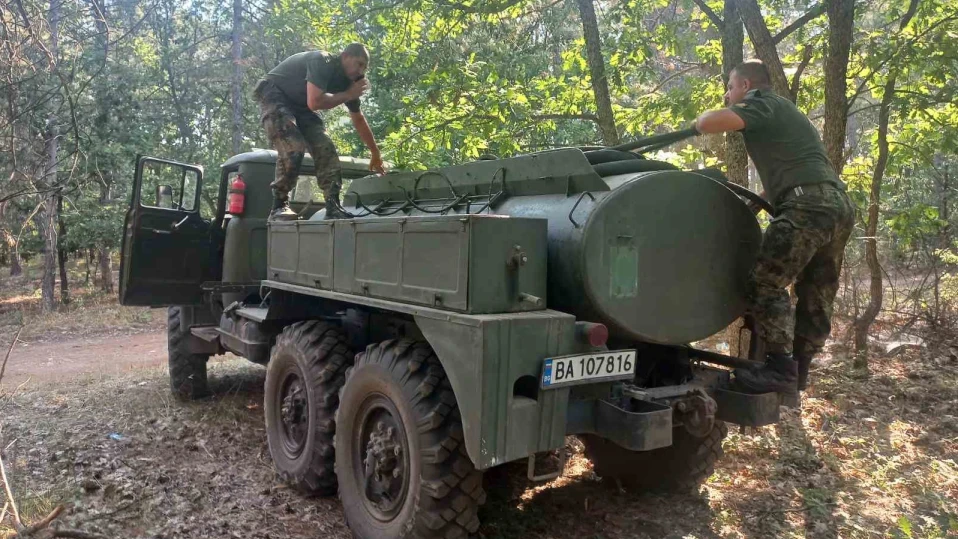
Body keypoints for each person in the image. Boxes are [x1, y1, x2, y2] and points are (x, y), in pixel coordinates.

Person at [691, 60, 856, 398]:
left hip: (809, 207)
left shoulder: (761, 103)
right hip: (837, 205)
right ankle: (799, 372)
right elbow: (790, 177)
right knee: (816, 291)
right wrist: (753, 204)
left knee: (765, 283)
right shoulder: (788, 114)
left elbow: (710, 123)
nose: (727, 94)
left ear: (747, 86)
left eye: (730, 86)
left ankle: (780, 369)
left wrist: (697, 122)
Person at [253, 43, 387, 220]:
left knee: (326, 147)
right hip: (274, 94)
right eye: (359, 63)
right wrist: (349, 94)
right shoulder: (322, 61)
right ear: (345, 56)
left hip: (301, 106)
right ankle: (278, 206)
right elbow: (315, 102)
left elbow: (358, 118)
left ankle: (333, 206)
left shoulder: (348, 83)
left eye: (364, 67)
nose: (361, 71)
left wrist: (375, 153)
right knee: (294, 146)